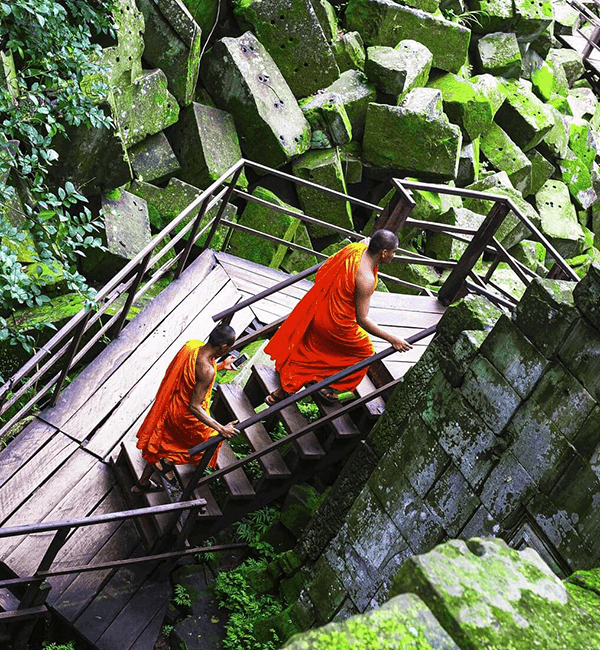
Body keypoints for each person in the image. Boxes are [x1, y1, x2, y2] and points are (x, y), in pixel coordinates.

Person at [264, 229, 412, 405]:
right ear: (384, 253)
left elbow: (324, 269)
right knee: (365, 352)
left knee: (311, 349)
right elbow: (362, 319)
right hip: (335, 323)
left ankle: (280, 393)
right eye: (394, 251)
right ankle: (328, 386)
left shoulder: (355, 249)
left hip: (320, 309)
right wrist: (392, 338)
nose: (394, 255)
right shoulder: (365, 279)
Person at [132, 323, 240, 493]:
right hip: (184, 417)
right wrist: (221, 428)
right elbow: (195, 407)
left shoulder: (192, 346)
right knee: (210, 439)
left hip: (172, 405)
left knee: (161, 446)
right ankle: (166, 463)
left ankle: (142, 484)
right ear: (223, 346)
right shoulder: (207, 370)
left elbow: (195, 375)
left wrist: (220, 366)